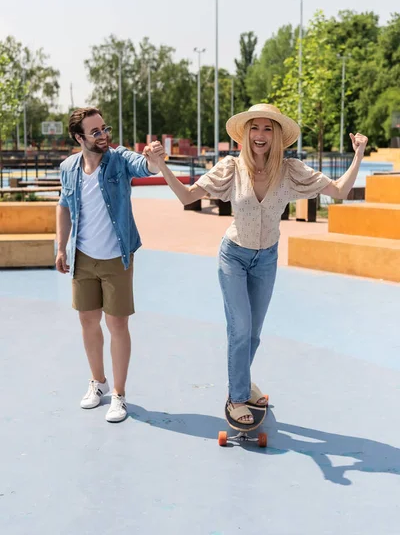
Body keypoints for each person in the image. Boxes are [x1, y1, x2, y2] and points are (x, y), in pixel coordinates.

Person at [145, 103, 368, 425]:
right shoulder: (231, 167)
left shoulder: (290, 170)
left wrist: (358, 153)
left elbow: (340, 191)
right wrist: (161, 167)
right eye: (255, 128)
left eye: (267, 128)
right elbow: (186, 196)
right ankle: (237, 397)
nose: (260, 134)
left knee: (254, 334)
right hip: (233, 255)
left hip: (267, 258)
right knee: (241, 329)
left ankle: (243, 382)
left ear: (276, 135)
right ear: (246, 134)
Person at [56, 107, 160, 423]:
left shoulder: (120, 159)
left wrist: (154, 157)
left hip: (117, 257)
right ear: (79, 137)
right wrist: (61, 247)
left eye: (105, 128)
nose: (104, 135)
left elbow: (147, 167)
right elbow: (63, 206)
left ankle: (119, 394)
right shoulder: (68, 168)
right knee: (88, 321)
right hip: (82, 258)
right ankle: (97, 382)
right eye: (96, 131)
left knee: (117, 325)